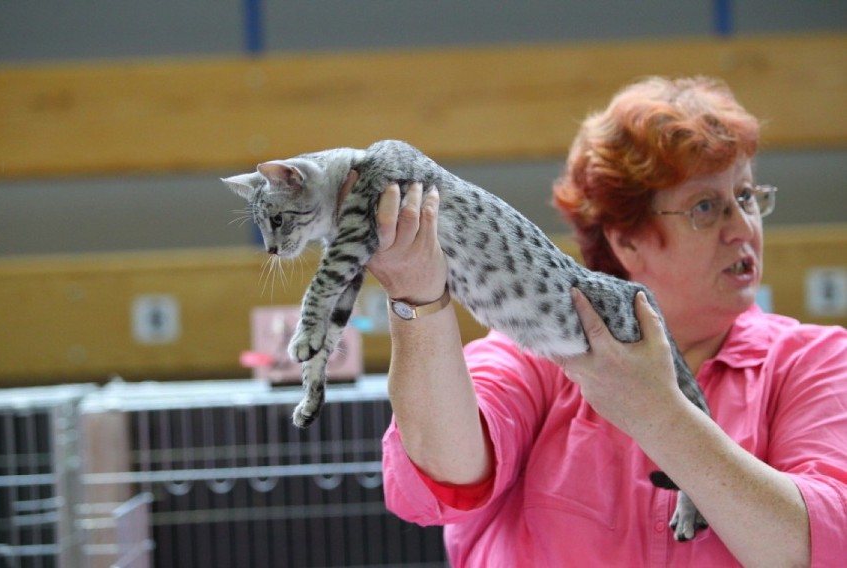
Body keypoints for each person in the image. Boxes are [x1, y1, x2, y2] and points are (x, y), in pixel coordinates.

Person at [363, 76, 847, 566]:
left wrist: (660, 415)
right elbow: (442, 477)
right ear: (626, 240)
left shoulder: (813, 361)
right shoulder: (534, 351)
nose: (742, 227)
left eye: (746, 197)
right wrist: (416, 296)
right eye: (706, 206)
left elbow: (824, 549)